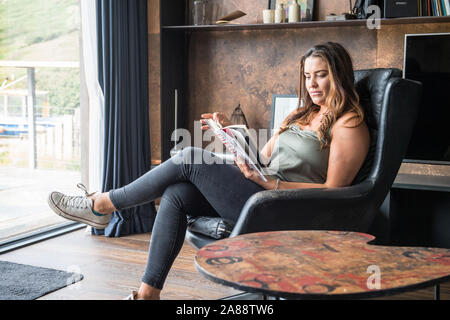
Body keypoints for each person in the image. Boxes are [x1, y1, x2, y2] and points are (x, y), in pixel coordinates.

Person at [47, 42, 370, 300]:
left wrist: (272, 186)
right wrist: (232, 135)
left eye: (321, 74)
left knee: (188, 155)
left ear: (339, 75)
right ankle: (148, 294)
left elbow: (335, 191)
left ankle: (101, 205)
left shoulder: (349, 124)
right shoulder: (299, 116)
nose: (312, 83)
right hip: (261, 193)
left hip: (286, 209)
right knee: (176, 194)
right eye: (308, 75)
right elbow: (260, 160)